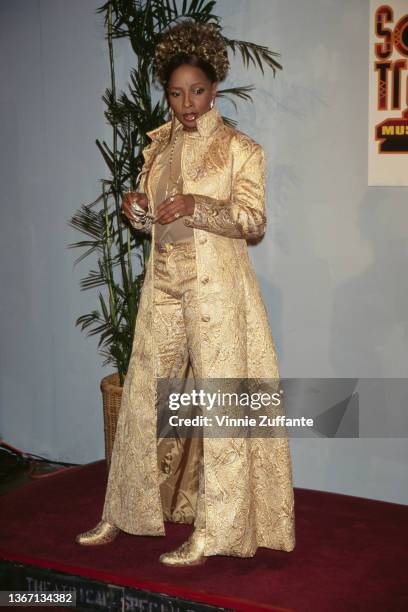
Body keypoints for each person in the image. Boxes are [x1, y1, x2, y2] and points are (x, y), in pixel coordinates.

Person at [75, 20, 295, 566]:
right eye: (176, 93)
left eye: (197, 91)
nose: (187, 103)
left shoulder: (241, 149)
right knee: (146, 397)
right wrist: (138, 210)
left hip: (217, 291)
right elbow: (158, 222)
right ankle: (121, 511)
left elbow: (252, 220)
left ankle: (215, 531)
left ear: (214, 88)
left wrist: (199, 204)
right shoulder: (157, 148)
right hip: (164, 284)